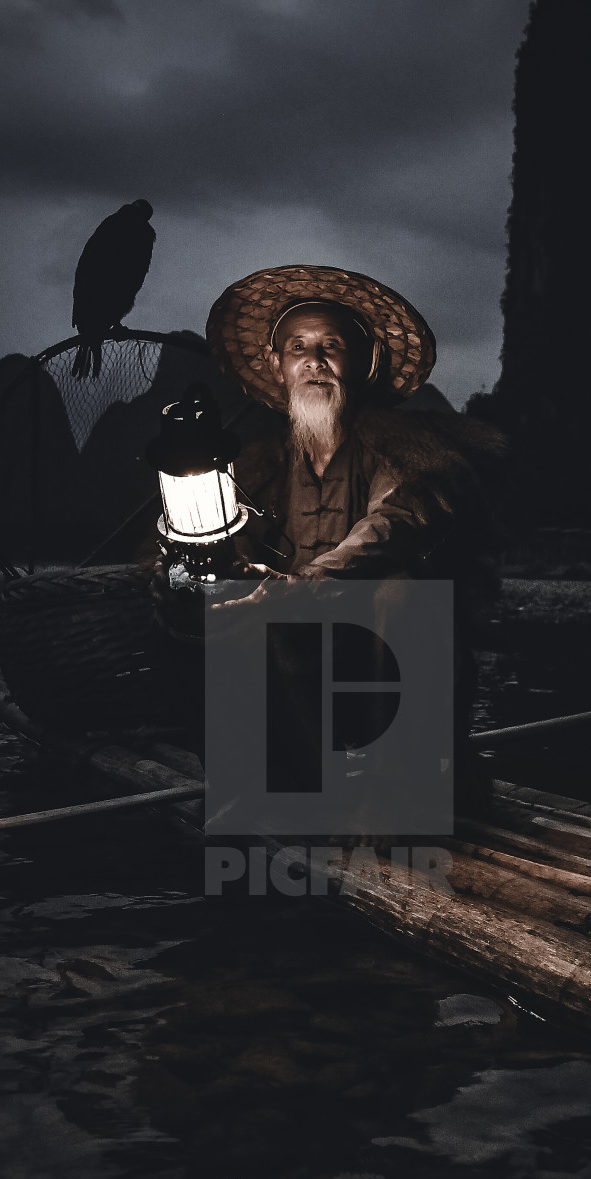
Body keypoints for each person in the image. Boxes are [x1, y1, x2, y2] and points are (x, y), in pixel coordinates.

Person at [203, 265, 508, 810]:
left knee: (401, 586)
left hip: (379, 644)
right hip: (299, 649)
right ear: (278, 365)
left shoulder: (402, 446)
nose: (314, 360)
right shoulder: (258, 467)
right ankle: (287, 787)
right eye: (297, 347)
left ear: (362, 363)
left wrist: (308, 583)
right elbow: (234, 547)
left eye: (331, 346)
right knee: (230, 607)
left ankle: (400, 790)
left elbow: (396, 520)